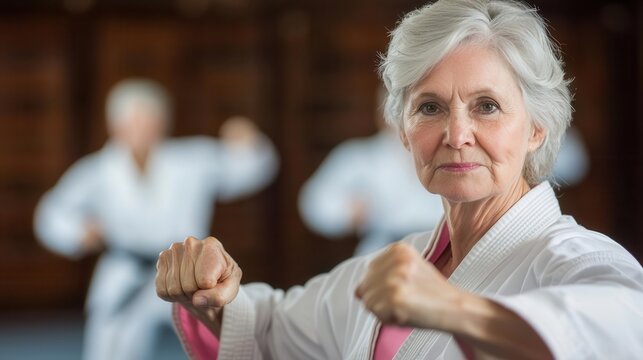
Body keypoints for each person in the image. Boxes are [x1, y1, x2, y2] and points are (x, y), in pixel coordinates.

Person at [156, 1, 643, 359]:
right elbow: (269, 329)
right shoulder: (394, 268)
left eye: (487, 106)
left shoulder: (571, 258)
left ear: (537, 128)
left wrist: (454, 310)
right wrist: (214, 292)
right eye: (429, 108)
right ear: (404, 132)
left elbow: (625, 324)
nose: (456, 134)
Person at [34, 78, 279, 360]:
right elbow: (51, 214)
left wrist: (248, 142)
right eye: (133, 120)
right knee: (111, 350)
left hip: (187, 269)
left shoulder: (190, 161)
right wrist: (78, 231)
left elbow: (249, 168)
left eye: (149, 120)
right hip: (127, 271)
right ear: (115, 125)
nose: (141, 128)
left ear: (163, 123)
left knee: (223, 340)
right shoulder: (97, 171)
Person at [298, 87, 444, 256]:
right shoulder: (359, 157)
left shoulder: (451, 153)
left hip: (443, 249)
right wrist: (348, 210)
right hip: (384, 249)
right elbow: (315, 202)